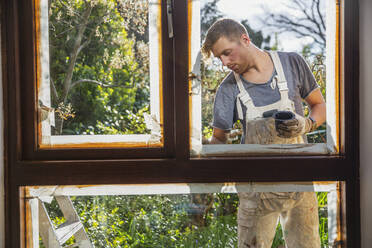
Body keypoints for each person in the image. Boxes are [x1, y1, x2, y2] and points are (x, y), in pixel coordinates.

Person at [201, 19, 326, 248]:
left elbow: (319, 106)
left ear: (245, 39)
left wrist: (307, 124)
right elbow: (218, 140)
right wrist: (200, 147)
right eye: (220, 58)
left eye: (227, 53)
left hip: (299, 186)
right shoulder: (228, 90)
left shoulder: (292, 63)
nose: (225, 62)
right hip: (256, 192)